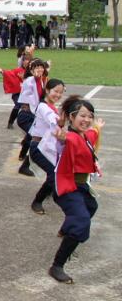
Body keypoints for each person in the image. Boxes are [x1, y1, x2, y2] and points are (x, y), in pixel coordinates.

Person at [49, 97, 104, 284]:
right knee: (81, 221)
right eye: (82, 115)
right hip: (67, 186)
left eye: (90, 116)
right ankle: (57, 266)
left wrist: (98, 127)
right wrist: (61, 137)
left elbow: (93, 134)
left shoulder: (85, 135)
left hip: (81, 186)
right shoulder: (70, 137)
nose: (87, 120)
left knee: (91, 207)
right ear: (72, 117)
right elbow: (64, 141)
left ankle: (66, 231)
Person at [28, 79, 65, 215]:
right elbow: (53, 121)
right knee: (53, 175)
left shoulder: (52, 107)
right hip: (38, 148)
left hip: (48, 147)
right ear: (47, 90)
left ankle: (50, 190)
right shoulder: (44, 107)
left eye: (61, 92)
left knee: (56, 173)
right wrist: (63, 118)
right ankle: (37, 201)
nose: (58, 95)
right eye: (56, 91)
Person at [16, 58, 48, 176]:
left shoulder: (41, 81)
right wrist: (35, 77)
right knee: (37, 139)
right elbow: (29, 86)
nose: (39, 69)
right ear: (31, 70)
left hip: (33, 116)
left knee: (32, 137)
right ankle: (24, 166)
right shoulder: (30, 81)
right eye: (36, 67)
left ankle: (22, 155)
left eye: (41, 67)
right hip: (26, 116)